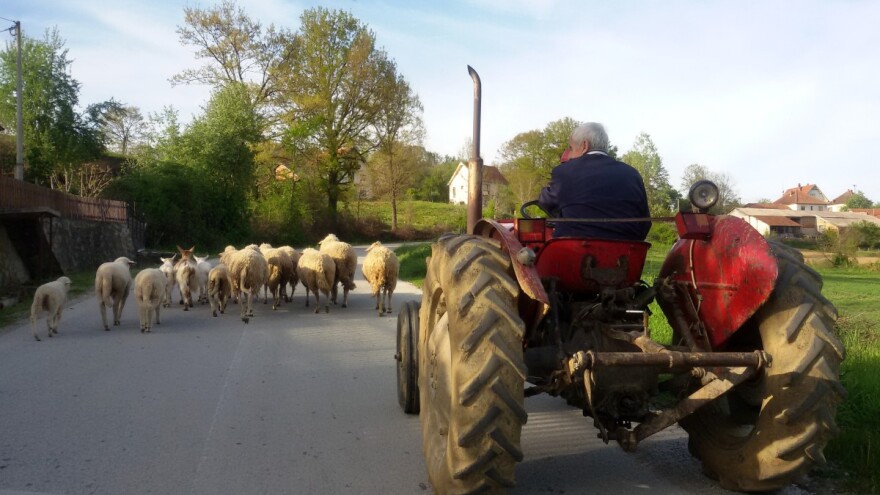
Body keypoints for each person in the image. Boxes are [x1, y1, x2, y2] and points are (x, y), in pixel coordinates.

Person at [538, 122, 651, 240]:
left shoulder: (565, 171)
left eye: (571, 148)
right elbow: (645, 223)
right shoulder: (632, 174)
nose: (570, 155)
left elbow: (545, 201)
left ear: (584, 145)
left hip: (574, 252)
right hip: (625, 255)